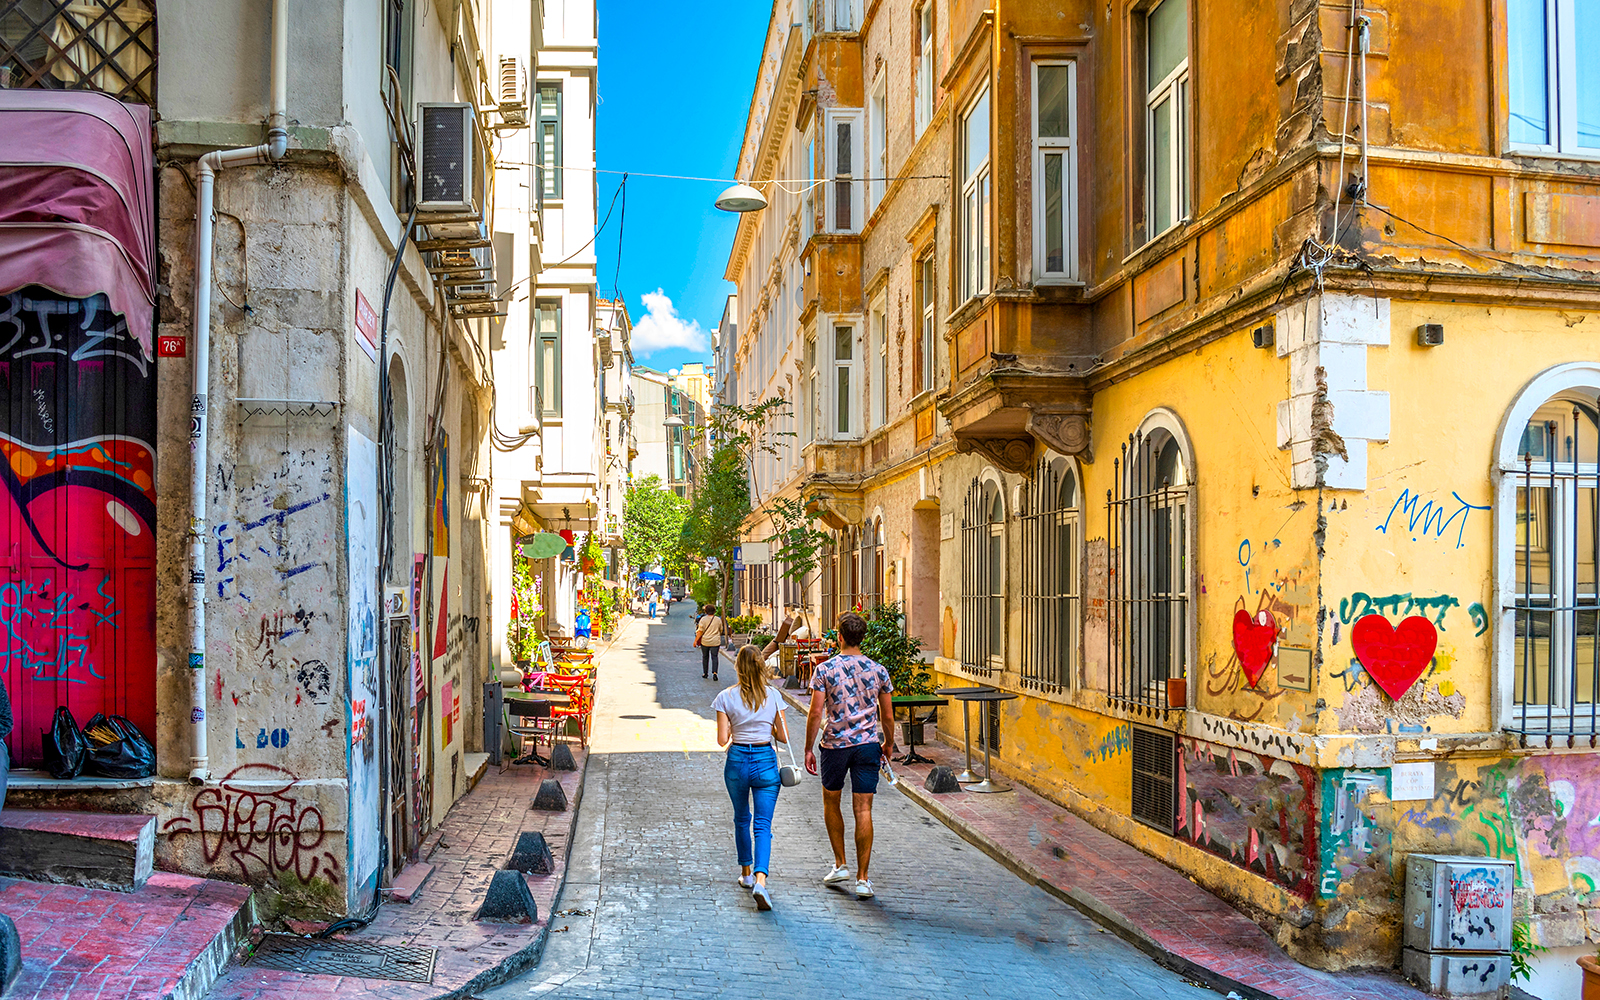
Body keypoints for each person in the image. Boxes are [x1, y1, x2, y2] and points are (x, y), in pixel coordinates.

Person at [804, 611, 896, 899]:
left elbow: (816, 712)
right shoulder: (878, 670)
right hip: (868, 744)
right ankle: (863, 879)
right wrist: (889, 744)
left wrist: (808, 747)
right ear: (862, 637)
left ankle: (841, 863)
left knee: (832, 802)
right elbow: (888, 715)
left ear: (839, 637)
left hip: (835, 745)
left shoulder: (825, 670)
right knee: (863, 809)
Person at [713, 644, 790, 911]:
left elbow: (722, 739)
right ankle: (760, 881)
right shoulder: (773, 696)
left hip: (737, 761)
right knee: (763, 826)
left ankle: (745, 873)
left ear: (738, 668)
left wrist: (737, 725)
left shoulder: (725, 697)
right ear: (760, 667)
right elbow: (783, 736)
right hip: (765, 761)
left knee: (741, 819)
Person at [695, 604, 724, 680]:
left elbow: (700, 631)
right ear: (714, 611)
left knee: (705, 657)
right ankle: (715, 673)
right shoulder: (718, 619)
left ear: (706, 611)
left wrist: (695, 641)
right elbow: (721, 630)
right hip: (715, 641)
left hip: (705, 641)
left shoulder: (703, 619)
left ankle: (705, 673)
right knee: (714, 657)